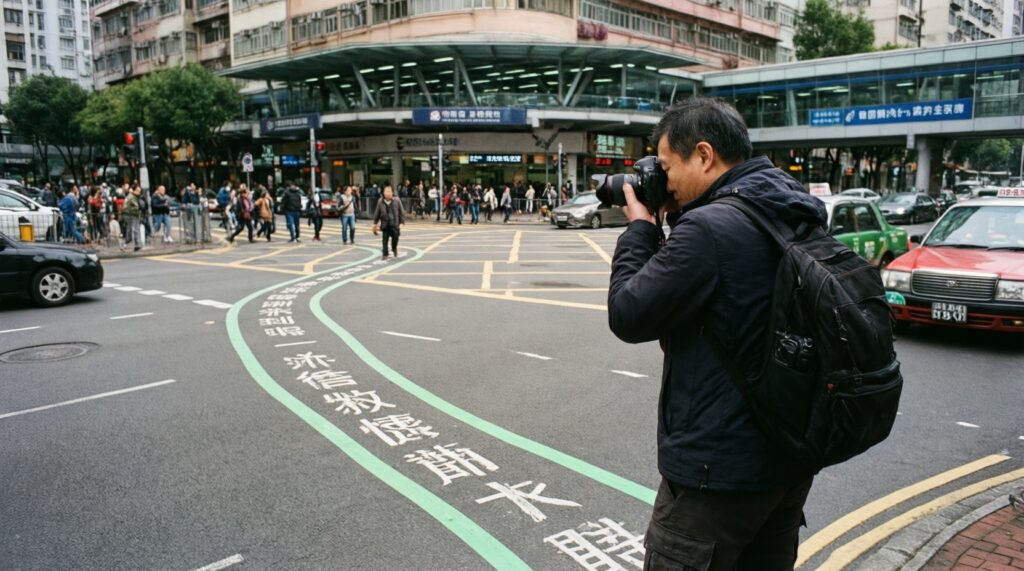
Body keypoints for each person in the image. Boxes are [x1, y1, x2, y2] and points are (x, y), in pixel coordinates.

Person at [606, 98, 824, 570]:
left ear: (704, 155)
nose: (664, 181)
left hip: (716, 474)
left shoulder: (710, 228)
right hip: (786, 460)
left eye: (666, 167)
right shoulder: (790, 206)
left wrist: (642, 228)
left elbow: (628, 313)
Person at [372, 184, 404, 260]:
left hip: (395, 224)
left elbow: (401, 212)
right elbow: (377, 213)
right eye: (386, 191)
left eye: (389, 191)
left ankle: (394, 248)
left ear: (392, 192)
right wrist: (374, 224)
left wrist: (402, 222)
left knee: (395, 238)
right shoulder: (380, 201)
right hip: (385, 224)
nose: (388, 193)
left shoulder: (397, 200)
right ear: (384, 192)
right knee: (384, 240)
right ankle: (385, 254)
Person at [122, 184, 144, 251]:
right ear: (134, 190)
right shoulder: (132, 197)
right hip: (130, 214)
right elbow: (136, 206)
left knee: (133, 229)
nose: (138, 192)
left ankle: (136, 244)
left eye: (139, 191)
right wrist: (139, 207)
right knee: (133, 229)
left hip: (132, 214)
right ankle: (129, 243)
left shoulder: (134, 196)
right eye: (137, 191)